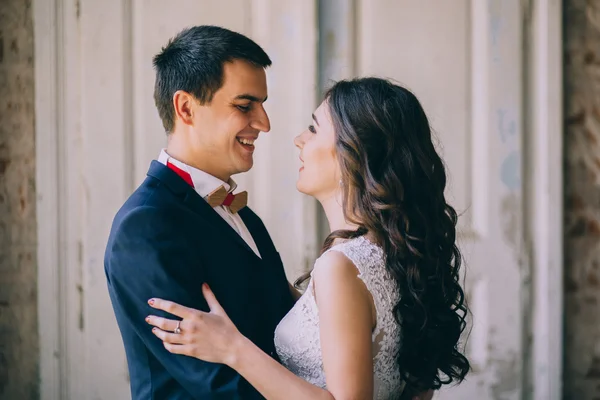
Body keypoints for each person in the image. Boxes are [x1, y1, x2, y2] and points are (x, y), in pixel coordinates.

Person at [146, 77, 471, 399]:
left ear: (354, 153)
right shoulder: (401, 257)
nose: (299, 140)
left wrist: (232, 349)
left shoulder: (342, 267)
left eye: (314, 129)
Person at [104, 25, 294, 399]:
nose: (264, 123)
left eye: (263, 104)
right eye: (245, 106)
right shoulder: (145, 226)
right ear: (186, 108)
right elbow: (214, 385)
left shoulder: (244, 216)